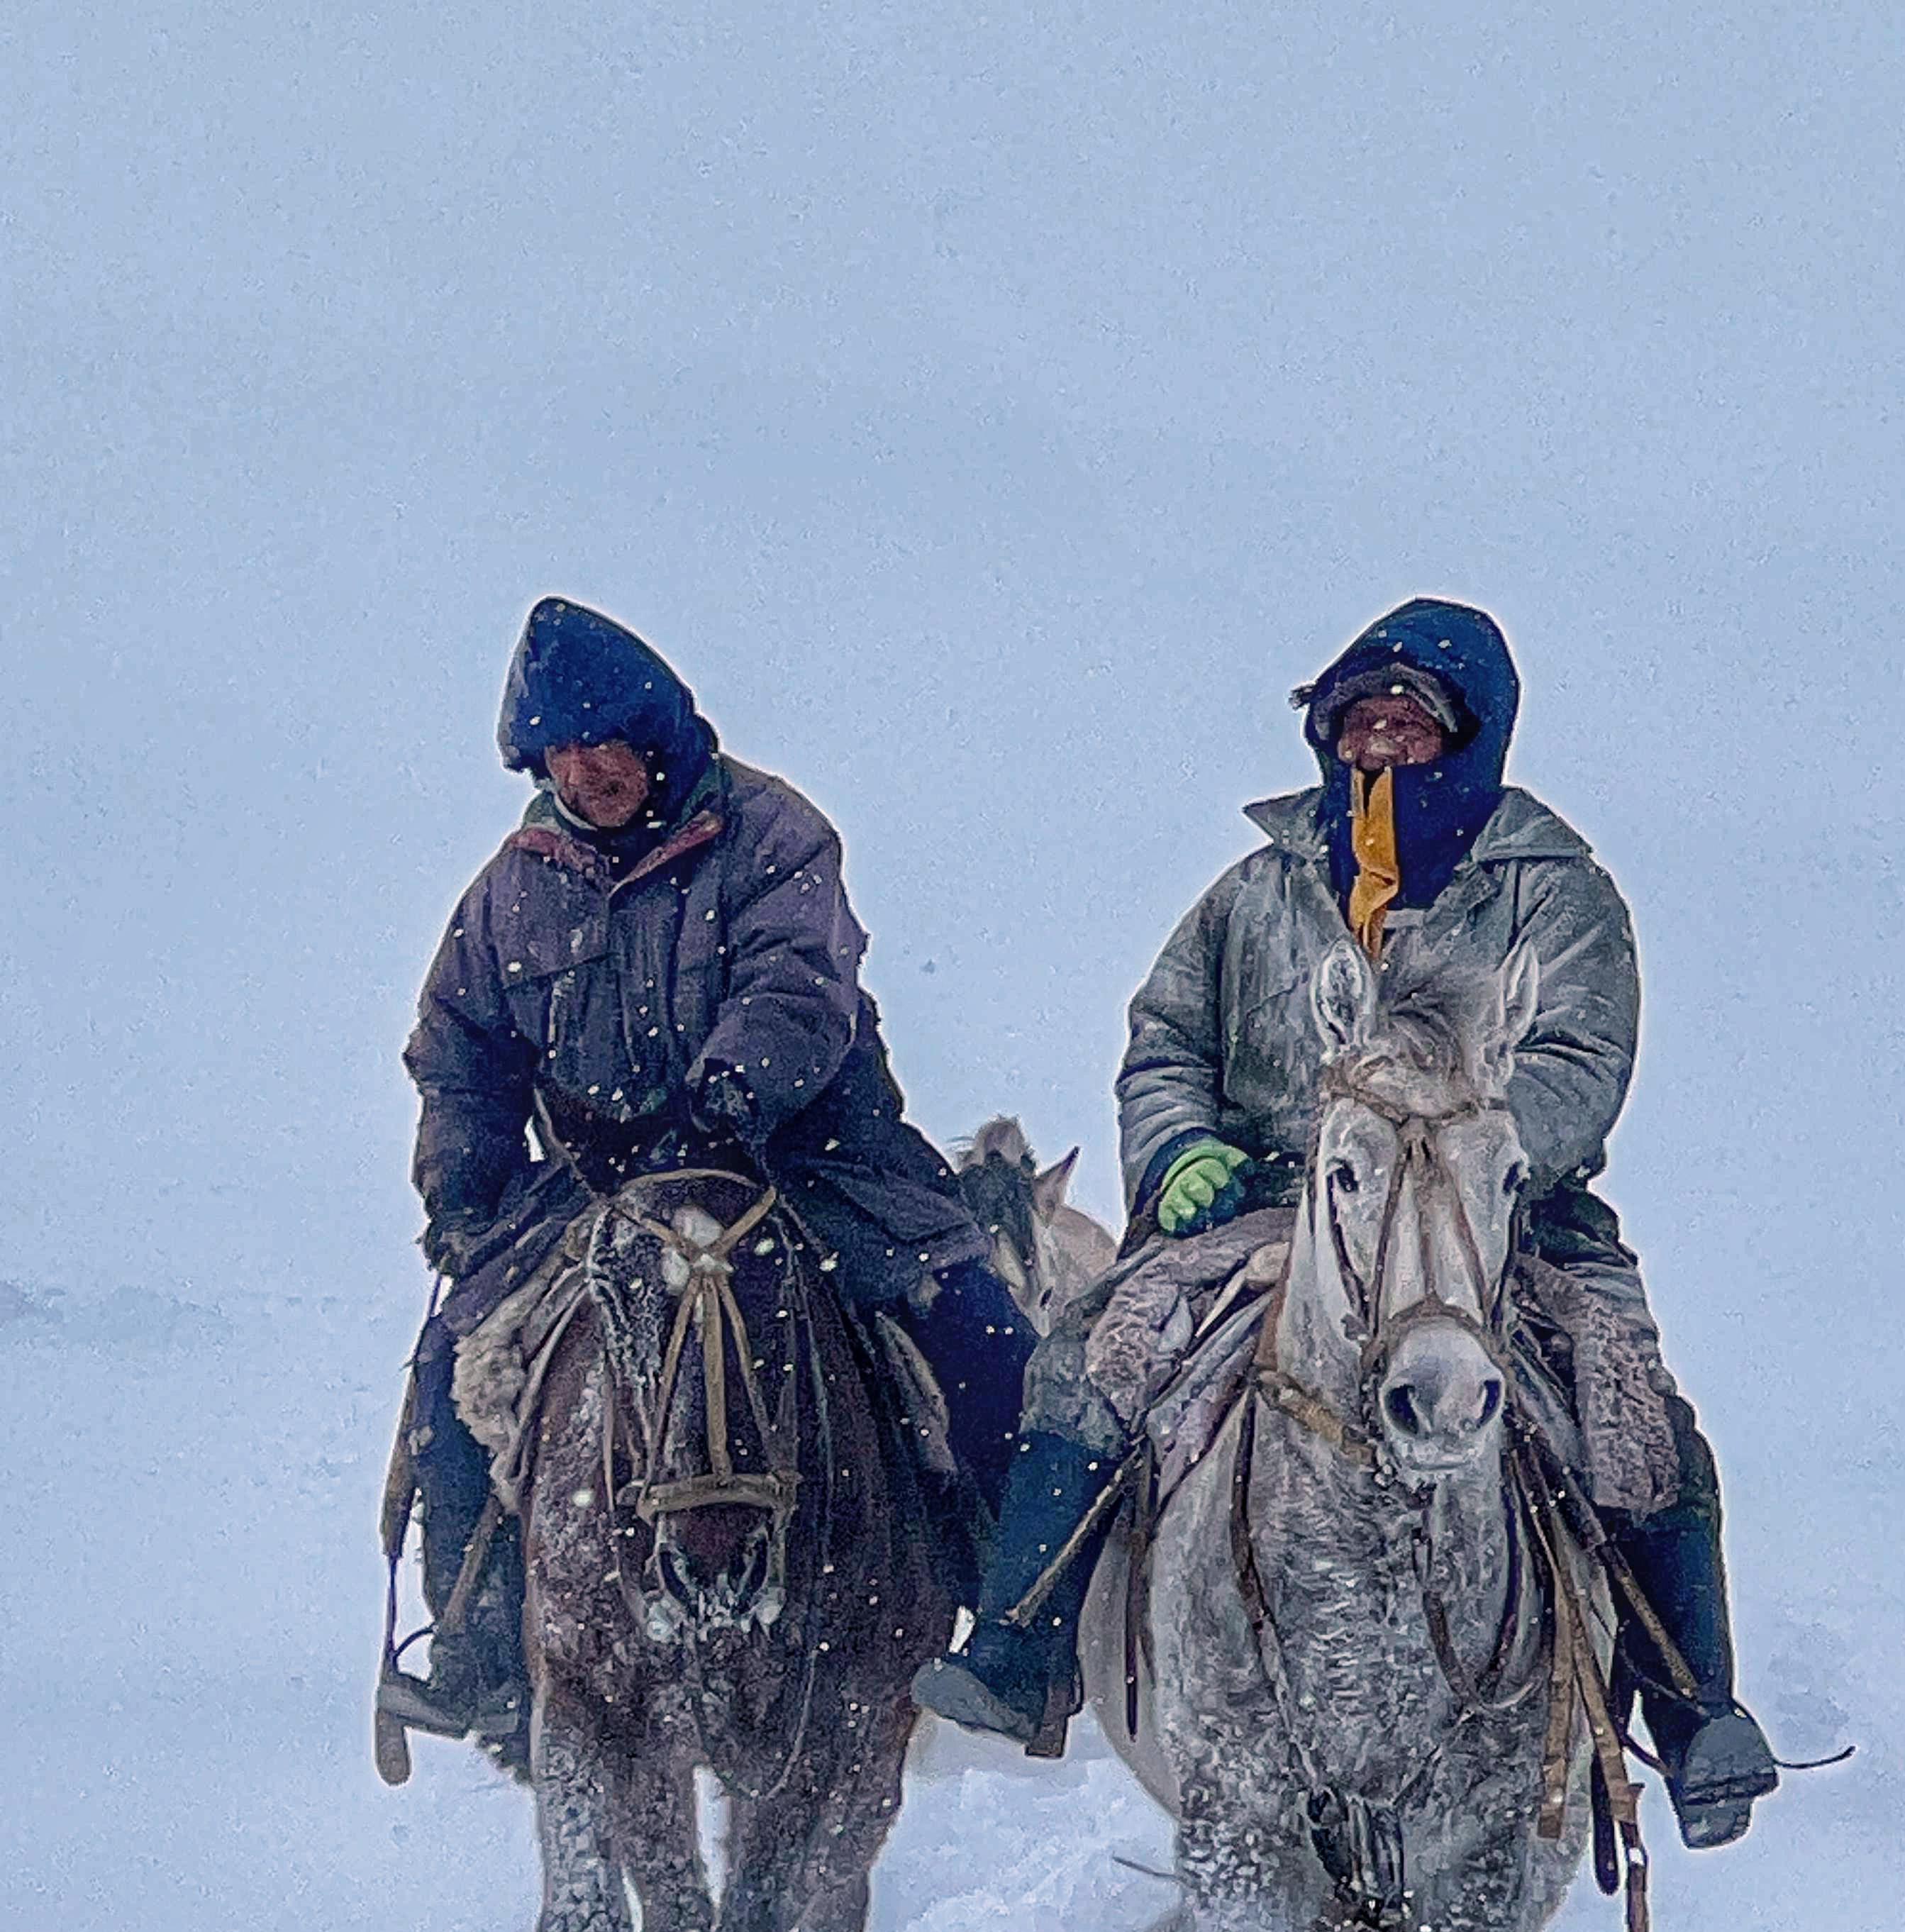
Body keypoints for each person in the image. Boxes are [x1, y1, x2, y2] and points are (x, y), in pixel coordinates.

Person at [914, 597, 1778, 1849]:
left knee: (1630, 1404)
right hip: (1270, 1207)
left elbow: (1584, 1052)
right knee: (1094, 1356)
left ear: (1468, 742)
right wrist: (1180, 1151)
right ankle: (1020, 1647)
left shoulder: (1554, 892)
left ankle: (1696, 1714)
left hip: (1501, 1215)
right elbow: (1166, 1039)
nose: (1379, 750)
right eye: (1359, 725)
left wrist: (1459, 1144)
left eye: (1408, 729)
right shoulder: (1254, 893)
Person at [379, 596, 1035, 1749]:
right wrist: (464, 1185)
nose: (586, 776)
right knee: (449, 1380)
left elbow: (801, 980)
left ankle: (1018, 1618)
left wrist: (734, 1091)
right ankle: (482, 1650)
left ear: (660, 735)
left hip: (809, 1161)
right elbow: (460, 1050)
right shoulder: (510, 889)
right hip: (595, 1194)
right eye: (560, 757)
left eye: (604, 747)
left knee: (982, 1341)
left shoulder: (775, 835)